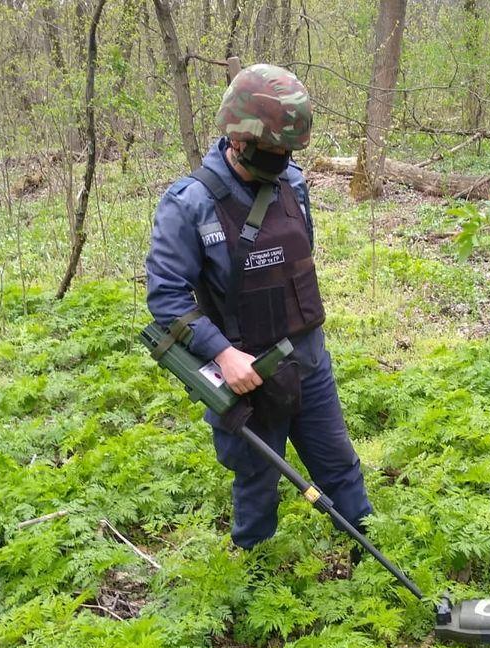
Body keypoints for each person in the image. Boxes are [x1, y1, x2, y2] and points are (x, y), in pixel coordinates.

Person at [145, 64, 371, 556]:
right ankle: (255, 570)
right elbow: (166, 299)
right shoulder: (189, 204)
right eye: (273, 153)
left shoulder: (295, 183)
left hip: (308, 360)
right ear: (238, 140)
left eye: (288, 152)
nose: (283, 161)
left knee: (338, 463)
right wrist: (223, 355)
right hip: (248, 373)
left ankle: (368, 548)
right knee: (256, 481)